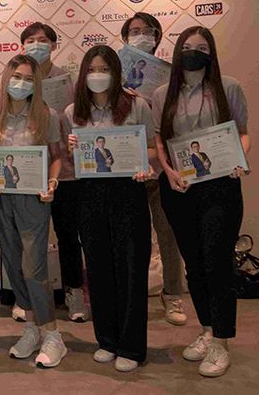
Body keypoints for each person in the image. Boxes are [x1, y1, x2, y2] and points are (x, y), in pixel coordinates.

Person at [153, 26, 250, 378]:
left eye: (203, 47)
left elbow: (242, 132)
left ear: (212, 53)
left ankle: (222, 341)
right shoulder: (162, 93)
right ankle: (207, 329)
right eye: (188, 46)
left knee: (216, 261)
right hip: (179, 189)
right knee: (193, 264)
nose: (195, 52)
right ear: (178, 50)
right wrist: (167, 171)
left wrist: (240, 158)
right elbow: (160, 140)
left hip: (220, 187)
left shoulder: (228, 87)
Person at [65, 45, 156, 372]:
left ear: (116, 73)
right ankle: (107, 340)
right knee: (98, 268)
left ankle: (131, 346)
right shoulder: (73, 112)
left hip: (128, 192)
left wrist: (145, 165)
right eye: (91, 70)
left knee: (130, 268)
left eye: (104, 69)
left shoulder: (136, 105)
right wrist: (72, 149)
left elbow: (152, 149)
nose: (97, 75)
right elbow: (72, 162)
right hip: (90, 194)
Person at [0, 54, 66, 368]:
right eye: (17, 76)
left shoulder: (46, 114)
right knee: (14, 266)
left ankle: (52, 334)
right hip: (4, 199)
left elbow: (56, 156)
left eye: (29, 79)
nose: (21, 83)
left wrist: (52, 182)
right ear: (6, 78)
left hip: (34, 200)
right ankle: (31, 328)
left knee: (34, 268)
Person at [120, 12, 188, 327]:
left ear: (157, 36)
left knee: (169, 232)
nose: (141, 36)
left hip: (162, 167)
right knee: (131, 237)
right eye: (134, 31)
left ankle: (173, 294)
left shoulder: (171, 76)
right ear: (125, 39)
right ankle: (129, 296)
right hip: (127, 169)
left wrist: (153, 103)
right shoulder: (113, 75)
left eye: (147, 31)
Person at [16, 22, 88, 324]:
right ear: (22, 46)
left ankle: (74, 291)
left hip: (65, 172)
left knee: (69, 236)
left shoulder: (68, 81)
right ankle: (27, 298)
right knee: (28, 240)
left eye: (43, 40)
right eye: (31, 40)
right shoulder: (17, 81)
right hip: (28, 173)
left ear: (54, 45)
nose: (37, 44)